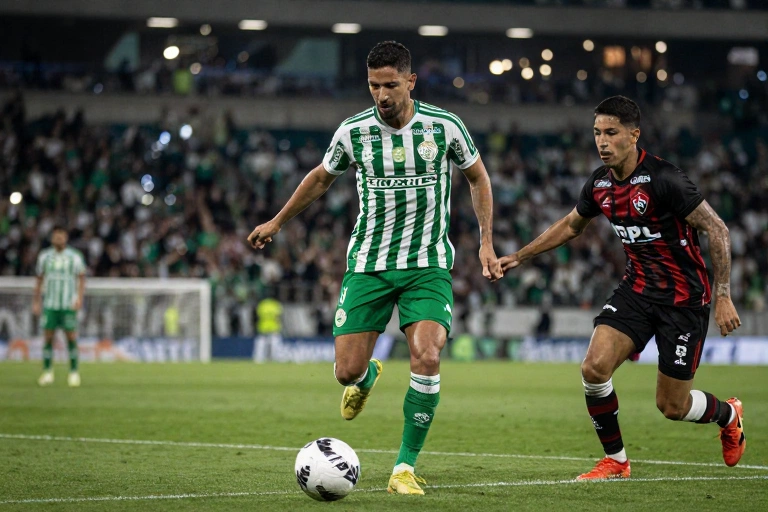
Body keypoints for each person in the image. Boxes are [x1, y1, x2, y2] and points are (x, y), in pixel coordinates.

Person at [248, 41, 501, 494]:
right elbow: (321, 178)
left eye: (390, 85)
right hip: (369, 264)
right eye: (373, 86)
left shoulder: (444, 126)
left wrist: (486, 241)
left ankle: (404, 467)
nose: (381, 95)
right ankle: (366, 378)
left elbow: (477, 176)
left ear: (411, 81)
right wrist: (277, 221)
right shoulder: (354, 132)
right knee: (346, 371)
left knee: (427, 355)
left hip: (427, 265)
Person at [499, 96, 745, 480]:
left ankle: (728, 414)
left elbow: (717, 229)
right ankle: (616, 461)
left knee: (672, 406)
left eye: (611, 132)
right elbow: (571, 225)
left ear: (634, 135)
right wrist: (520, 255)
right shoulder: (599, 184)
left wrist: (724, 295)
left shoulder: (664, 179)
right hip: (637, 290)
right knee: (593, 368)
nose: (602, 141)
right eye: (597, 132)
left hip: (682, 299)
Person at [33, 226, 87, 387]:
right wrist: (36, 301)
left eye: (61, 236)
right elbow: (39, 280)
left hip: (68, 304)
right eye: (56, 236)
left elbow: (81, 278)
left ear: (66, 238)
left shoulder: (75, 257)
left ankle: (74, 372)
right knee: (48, 337)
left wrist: (79, 298)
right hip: (50, 304)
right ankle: (47, 372)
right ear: (52, 238)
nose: (59, 239)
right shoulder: (44, 257)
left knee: (71, 337)